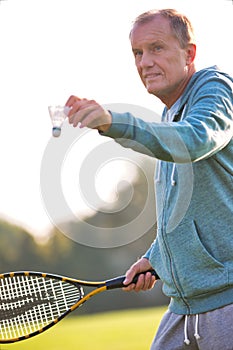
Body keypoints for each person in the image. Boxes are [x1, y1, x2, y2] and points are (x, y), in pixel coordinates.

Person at [65, 9, 233, 350]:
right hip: (183, 307)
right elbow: (183, 210)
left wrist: (114, 122)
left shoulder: (216, 89)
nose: (145, 63)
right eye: (138, 53)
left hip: (225, 302)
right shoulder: (170, 112)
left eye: (156, 48)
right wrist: (156, 258)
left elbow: (195, 140)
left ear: (190, 54)